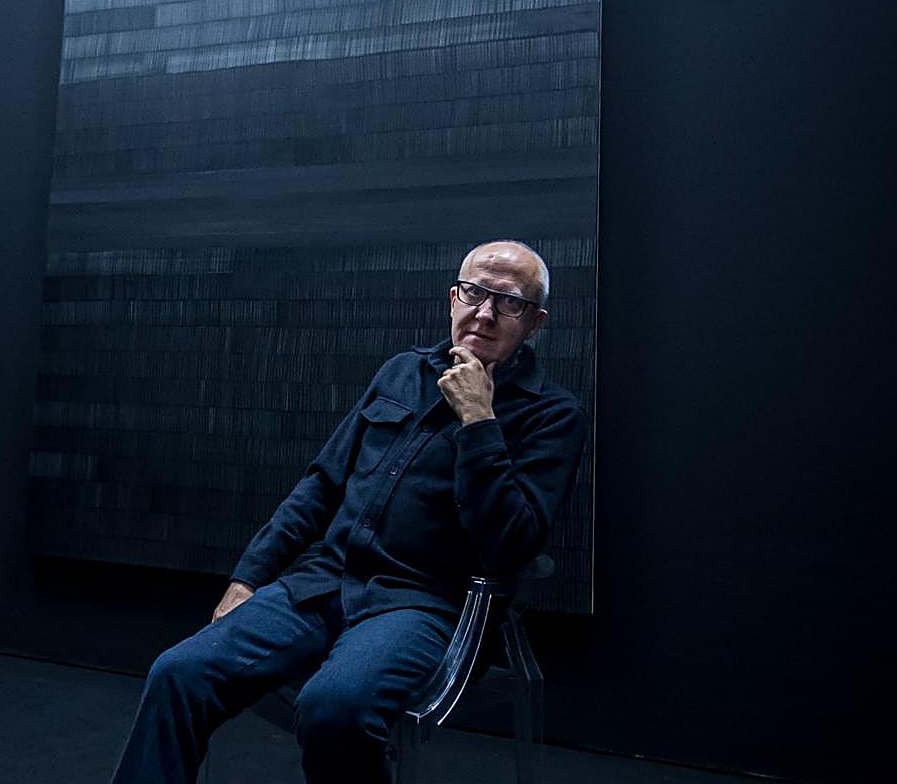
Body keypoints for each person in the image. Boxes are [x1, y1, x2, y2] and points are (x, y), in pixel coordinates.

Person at [111, 241, 587, 784]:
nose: (484, 313)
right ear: (453, 297)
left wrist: (479, 419)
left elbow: (511, 545)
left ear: (535, 322)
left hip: (424, 605)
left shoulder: (554, 415)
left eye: (508, 301)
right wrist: (250, 576)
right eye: (474, 293)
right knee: (178, 673)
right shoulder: (402, 371)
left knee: (334, 709)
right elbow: (322, 483)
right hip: (325, 581)